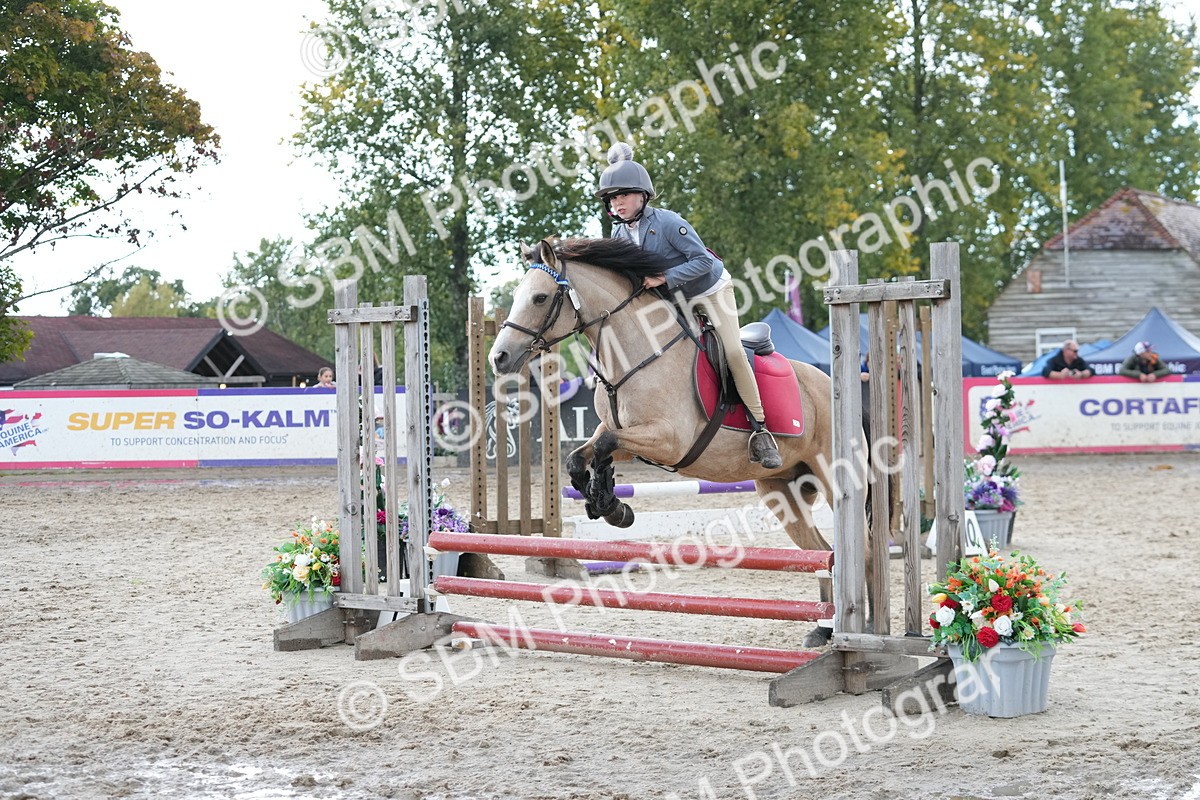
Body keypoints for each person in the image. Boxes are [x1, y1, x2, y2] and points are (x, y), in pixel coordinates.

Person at [596, 142, 782, 469]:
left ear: (643, 196)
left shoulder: (668, 223)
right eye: (612, 198)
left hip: (710, 290)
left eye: (623, 195)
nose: (617, 202)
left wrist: (663, 278)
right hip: (674, 298)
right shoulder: (619, 235)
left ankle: (760, 428)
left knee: (733, 351)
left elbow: (702, 262)